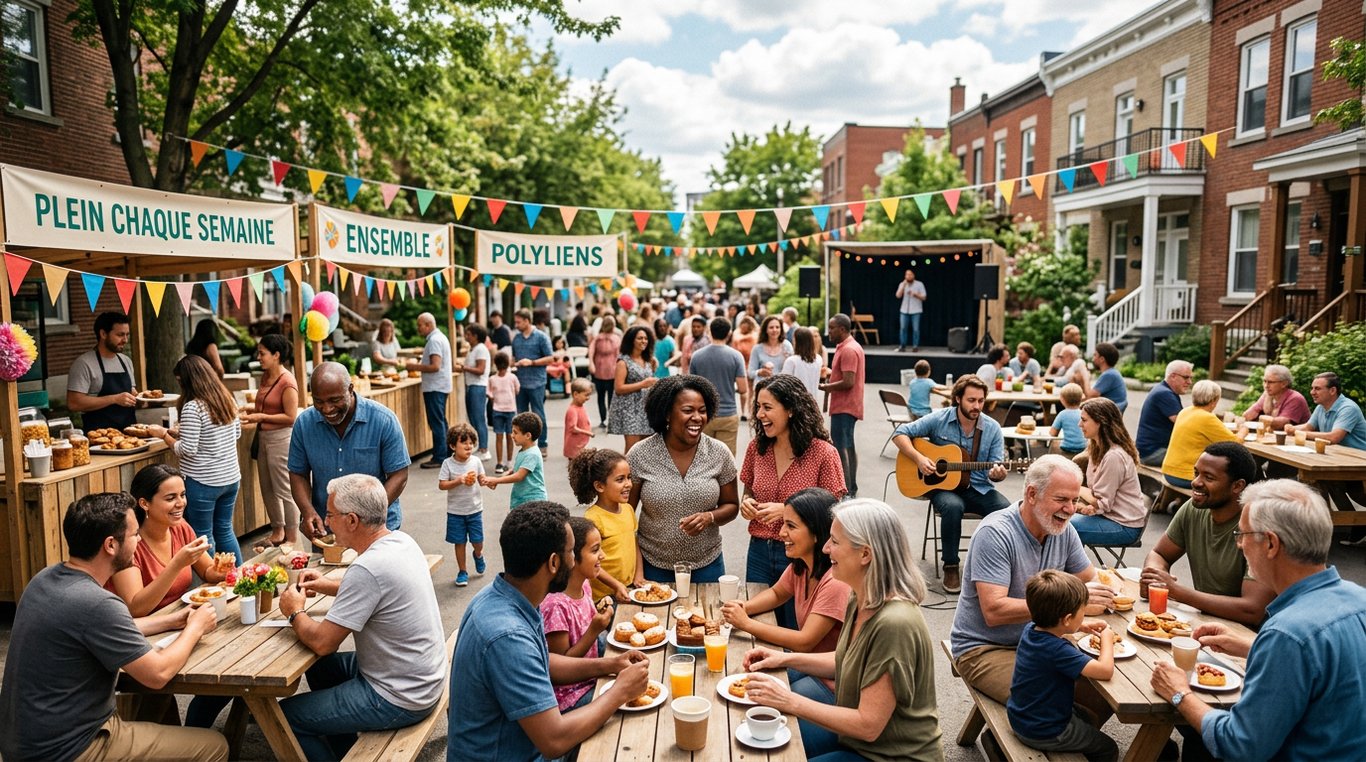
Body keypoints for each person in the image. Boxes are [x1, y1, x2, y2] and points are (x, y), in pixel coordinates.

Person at [0, 492, 228, 762]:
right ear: (110, 545)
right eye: (134, 535)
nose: (139, 540)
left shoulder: (44, 579)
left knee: (155, 701)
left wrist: (170, 620)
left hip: (25, 741)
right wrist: (196, 628)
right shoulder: (98, 603)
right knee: (214, 745)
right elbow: (158, 673)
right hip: (70, 748)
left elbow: (99, 628)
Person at [1150, 479, 1366, 761]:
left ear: (1271, 544)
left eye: (1242, 534)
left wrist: (1178, 693)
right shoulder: (1357, 598)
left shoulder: (1288, 634)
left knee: (1195, 738)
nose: (1239, 544)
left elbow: (1240, 746)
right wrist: (1251, 647)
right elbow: (1329, 667)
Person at [447, 501, 650, 760]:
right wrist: (619, 691)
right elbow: (554, 740)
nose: (574, 560)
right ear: (554, 562)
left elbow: (547, 666)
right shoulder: (508, 636)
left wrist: (611, 664)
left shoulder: (505, 595)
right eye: (571, 553)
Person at [743, 499, 942, 762]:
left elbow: (868, 725)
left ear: (865, 554)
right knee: (760, 740)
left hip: (889, 755)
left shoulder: (894, 623)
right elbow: (844, 660)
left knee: (771, 743)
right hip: (860, 742)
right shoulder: (860, 597)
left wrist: (788, 700)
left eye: (835, 542)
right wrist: (782, 658)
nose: (825, 548)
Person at [278, 474, 445, 761]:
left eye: (330, 514)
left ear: (352, 520)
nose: (327, 522)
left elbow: (322, 642)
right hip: (420, 674)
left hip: (400, 696)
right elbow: (374, 588)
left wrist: (294, 611)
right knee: (320, 668)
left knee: (285, 719)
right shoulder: (401, 541)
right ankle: (343, 743)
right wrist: (323, 585)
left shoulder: (368, 567)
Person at [949, 455, 1111, 704]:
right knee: (1056, 696)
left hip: (1040, 637)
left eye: (1074, 500)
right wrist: (1068, 605)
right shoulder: (996, 533)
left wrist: (1109, 589)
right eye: (1061, 499)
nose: (1070, 509)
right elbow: (994, 611)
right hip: (984, 648)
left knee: (1102, 686)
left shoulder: (1063, 530)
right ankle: (1026, 738)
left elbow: (1090, 582)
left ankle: (1059, 736)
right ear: (1032, 494)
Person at [740, 374, 847, 625]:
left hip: (803, 557)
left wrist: (787, 511)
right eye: (758, 407)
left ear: (790, 409)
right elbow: (749, 490)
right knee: (756, 625)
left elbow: (835, 512)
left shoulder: (823, 453)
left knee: (794, 629)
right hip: (759, 550)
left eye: (767, 407)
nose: (759, 415)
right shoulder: (756, 448)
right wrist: (747, 503)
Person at [894, 375, 1011, 594]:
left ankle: (996, 566)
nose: (977, 406)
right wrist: (919, 458)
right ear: (958, 398)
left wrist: (998, 474)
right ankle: (950, 565)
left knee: (1006, 510)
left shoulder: (992, 428)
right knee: (953, 506)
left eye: (981, 401)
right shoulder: (939, 419)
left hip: (978, 487)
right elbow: (899, 434)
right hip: (944, 488)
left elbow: (995, 470)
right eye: (971, 400)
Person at [723, 487, 851, 683]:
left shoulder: (835, 581)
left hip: (830, 678)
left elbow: (805, 641)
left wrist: (747, 624)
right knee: (745, 675)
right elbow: (777, 593)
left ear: (816, 534)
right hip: (807, 664)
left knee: (754, 687)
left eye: (791, 526)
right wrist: (744, 607)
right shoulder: (801, 565)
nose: (781, 533)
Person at [1142, 441, 1275, 629]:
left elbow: (1253, 610)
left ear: (1237, 486)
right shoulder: (1193, 508)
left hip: (1250, 638)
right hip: (1205, 623)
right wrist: (1155, 577)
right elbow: (1160, 554)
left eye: (1209, 478)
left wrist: (1177, 592)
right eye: (1196, 473)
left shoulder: (1257, 527)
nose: (1196, 482)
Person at [628, 375, 739, 583]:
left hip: (707, 565)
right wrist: (637, 570)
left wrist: (710, 517)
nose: (697, 417)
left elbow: (732, 505)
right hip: (652, 565)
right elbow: (624, 516)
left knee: (707, 616)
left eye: (702, 410)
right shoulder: (640, 454)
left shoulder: (719, 452)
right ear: (667, 414)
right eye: (688, 410)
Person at [1008, 570, 1118, 762]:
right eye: (1082, 613)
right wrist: (1107, 640)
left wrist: (1080, 626)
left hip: (1021, 716)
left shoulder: (1031, 628)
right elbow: (1105, 671)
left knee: (1088, 717)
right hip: (1044, 730)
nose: (1083, 617)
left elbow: (1056, 630)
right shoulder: (1059, 651)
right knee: (1108, 748)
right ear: (1067, 619)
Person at [289, 362, 410, 534]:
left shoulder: (383, 420)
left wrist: (369, 515)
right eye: (318, 401)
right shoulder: (304, 424)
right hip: (327, 530)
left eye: (334, 400)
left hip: (375, 529)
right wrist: (307, 511)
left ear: (350, 389)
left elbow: (399, 475)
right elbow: (298, 473)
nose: (327, 408)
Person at [147, 355, 243, 564]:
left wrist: (164, 435)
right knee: (225, 530)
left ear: (186, 380)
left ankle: (210, 582)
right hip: (230, 478)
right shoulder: (227, 401)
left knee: (203, 535)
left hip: (203, 482)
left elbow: (187, 450)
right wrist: (180, 433)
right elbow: (234, 435)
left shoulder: (193, 407)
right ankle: (237, 576)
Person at [108, 463, 227, 616]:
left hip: (181, 616)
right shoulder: (128, 543)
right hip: (144, 629)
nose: (180, 503)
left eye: (182, 495)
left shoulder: (181, 528)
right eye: (170, 498)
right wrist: (176, 564)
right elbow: (135, 609)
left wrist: (223, 571)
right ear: (144, 503)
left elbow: (207, 570)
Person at [539, 517, 616, 711]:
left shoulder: (584, 585)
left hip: (589, 676)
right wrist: (594, 630)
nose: (603, 556)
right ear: (572, 557)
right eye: (595, 550)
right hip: (571, 695)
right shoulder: (555, 605)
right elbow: (561, 666)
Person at [245, 333, 301, 546]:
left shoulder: (287, 381)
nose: (259, 357)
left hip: (281, 439)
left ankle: (292, 537)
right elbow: (263, 405)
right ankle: (277, 531)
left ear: (276, 355)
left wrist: (262, 417)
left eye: (262, 353)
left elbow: (290, 416)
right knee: (267, 487)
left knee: (284, 488)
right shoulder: (265, 376)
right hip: (263, 438)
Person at [1071, 399, 1146, 547]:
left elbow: (1102, 502)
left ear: (1100, 422)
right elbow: (1102, 498)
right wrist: (1090, 507)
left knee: (1060, 526)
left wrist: (1074, 487)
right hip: (1111, 518)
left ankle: (1063, 567)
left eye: (1084, 420)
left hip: (1124, 527)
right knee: (1056, 519)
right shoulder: (1097, 449)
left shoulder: (1114, 456)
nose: (1080, 424)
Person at [570, 448, 639, 600]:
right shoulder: (594, 518)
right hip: (604, 596)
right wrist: (615, 585)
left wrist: (639, 576)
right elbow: (589, 561)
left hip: (629, 589)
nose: (628, 484)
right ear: (600, 486)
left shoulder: (628, 509)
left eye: (629, 477)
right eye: (620, 479)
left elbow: (634, 543)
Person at [67, 311, 139, 431]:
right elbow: (74, 403)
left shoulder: (126, 361)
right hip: (99, 439)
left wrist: (139, 398)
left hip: (130, 435)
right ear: (103, 334)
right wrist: (114, 399)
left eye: (127, 335)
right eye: (120, 335)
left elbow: (130, 391)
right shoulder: (84, 363)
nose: (125, 340)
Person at [1161, 380, 1237, 489]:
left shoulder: (1185, 412)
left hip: (1169, 472)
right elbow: (1234, 443)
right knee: (1230, 482)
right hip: (1187, 476)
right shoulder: (1207, 417)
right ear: (1214, 400)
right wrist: (1244, 429)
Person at [821, 313, 866, 498]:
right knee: (848, 446)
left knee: (842, 448)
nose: (828, 332)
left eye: (831, 328)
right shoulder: (848, 347)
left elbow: (848, 381)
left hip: (845, 406)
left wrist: (826, 387)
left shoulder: (849, 349)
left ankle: (847, 492)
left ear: (842, 329)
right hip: (846, 405)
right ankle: (851, 488)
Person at [689, 318, 748, 454]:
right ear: (729, 333)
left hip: (704, 413)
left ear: (710, 331)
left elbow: (691, 387)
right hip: (728, 414)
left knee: (703, 456)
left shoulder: (697, 356)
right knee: (726, 458)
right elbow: (743, 388)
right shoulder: (736, 356)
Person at [439, 423, 486, 587]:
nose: (469, 446)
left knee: (477, 541)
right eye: (464, 443)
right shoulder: (448, 464)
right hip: (455, 511)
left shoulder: (476, 462)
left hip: (474, 510)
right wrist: (459, 480)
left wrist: (489, 482)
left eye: (471, 443)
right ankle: (462, 571)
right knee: (459, 542)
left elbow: (482, 479)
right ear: (453, 446)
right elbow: (442, 485)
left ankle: (478, 554)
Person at [406, 312, 453, 469]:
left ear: (428, 324)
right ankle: (446, 453)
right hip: (440, 386)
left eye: (420, 325)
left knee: (437, 422)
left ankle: (439, 456)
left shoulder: (434, 340)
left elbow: (435, 366)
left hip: (435, 387)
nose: (418, 328)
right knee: (440, 421)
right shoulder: (439, 338)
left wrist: (413, 366)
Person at [481, 412, 547, 508]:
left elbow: (519, 476)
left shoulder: (532, 454)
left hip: (533, 501)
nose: (512, 435)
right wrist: (509, 472)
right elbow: (519, 469)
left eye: (515, 432)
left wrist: (497, 480)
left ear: (528, 435)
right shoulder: (524, 450)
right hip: (521, 499)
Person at [1286, 371, 1366, 449]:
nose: (1312, 392)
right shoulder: (1321, 406)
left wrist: (1299, 433)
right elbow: (1308, 427)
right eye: (1312, 388)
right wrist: (1291, 429)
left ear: (1332, 391)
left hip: (1360, 458)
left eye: (1317, 389)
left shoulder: (1348, 408)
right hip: (1339, 454)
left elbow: (1334, 437)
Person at [512, 308, 554, 454]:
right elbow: (513, 357)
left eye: (518, 322)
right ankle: (526, 445)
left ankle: (542, 444)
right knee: (521, 416)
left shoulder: (541, 337)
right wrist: (512, 364)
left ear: (526, 321)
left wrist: (532, 362)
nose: (516, 324)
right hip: (520, 382)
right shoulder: (516, 339)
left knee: (538, 414)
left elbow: (550, 358)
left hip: (537, 381)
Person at [610, 324, 658, 451]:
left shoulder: (649, 360)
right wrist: (643, 384)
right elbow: (618, 388)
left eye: (646, 338)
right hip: (629, 408)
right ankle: (626, 471)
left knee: (646, 447)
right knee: (632, 449)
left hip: (645, 407)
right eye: (640, 338)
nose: (644, 341)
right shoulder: (623, 362)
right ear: (631, 340)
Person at [1136, 360, 1193, 466]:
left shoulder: (1163, 390)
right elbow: (1183, 424)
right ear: (1173, 376)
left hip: (1150, 450)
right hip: (1152, 453)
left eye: (1191, 378)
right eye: (1186, 377)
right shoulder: (1165, 394)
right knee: (1198, 457)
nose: (1189, 382)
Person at [455, 323, 491, 461]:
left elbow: (480, 369)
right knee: (473, 418)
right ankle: (479, 445)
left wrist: (464, 368)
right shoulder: (473, 349)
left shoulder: (481, 349)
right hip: (471, 385)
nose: (466, 337)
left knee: (479, 418)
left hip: (478, 386)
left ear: (475, 336)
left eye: (468, 334)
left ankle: (484, 448)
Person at [1242, 364, 1309, 429]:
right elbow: (1247, 415)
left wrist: (1260, 419)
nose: (1266, 386)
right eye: (1265, 381)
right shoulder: (1268, 394)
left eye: (1270, 382)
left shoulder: (1295, 398)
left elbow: (1279, 425)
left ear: (1284, 384)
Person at [488, 352, 520, 475]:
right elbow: (517, 390)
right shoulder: (512, 377)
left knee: (499, 436)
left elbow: (489, 394)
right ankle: (509, 461)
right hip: (510, 409)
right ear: (508, 364)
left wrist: (494, 401)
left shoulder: (492, 379)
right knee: (510, 436)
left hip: (497, 409)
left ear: (495, 364)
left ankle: (500, 462)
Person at [589, 315, 620, 427]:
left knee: (605, 396)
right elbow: (591, 352)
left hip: (607, 370)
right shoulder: (599, 338)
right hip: (604, 370)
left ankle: (606, 419)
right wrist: (591, 363)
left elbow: (619, 355)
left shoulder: (608, 338)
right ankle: (605, 419)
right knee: (606, 396)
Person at [749, 315, 793, 389]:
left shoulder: (787, 346)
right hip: (762, 389)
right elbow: (750, 373)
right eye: (771, 327)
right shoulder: (757, 348)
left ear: (781, 329)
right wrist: (760, 372)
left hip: (782, 389)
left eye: (777, 327)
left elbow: (792, 371)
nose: (774, 330)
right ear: (765, 330)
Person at [783, 326, 825, 398]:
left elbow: (783, 382)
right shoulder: (818, 359)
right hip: (813, 398)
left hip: (796, 400)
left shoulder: (791, 361)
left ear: (796, 340)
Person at [1084, 342, 1127, 412]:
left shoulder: (1109, 375)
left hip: (1107, 415)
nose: (1093, 359)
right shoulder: (1112, 372)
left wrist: (1085, 376)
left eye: (1095, 355)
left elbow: (1090, 396)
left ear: (1102, 359)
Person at [1049, 383, 1086, 457]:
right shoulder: (1084, 413)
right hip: (1083, 447)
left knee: (1053, 444)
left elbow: (1053, 433)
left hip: (1066, 447)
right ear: (1081, 398)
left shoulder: (1062, 414)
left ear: (1062, 400)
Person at [896, 269, 927, 352]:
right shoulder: (902, 284)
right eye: (907, 275)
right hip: (904, 310)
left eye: (910, 274)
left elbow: (924, 297)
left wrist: (915, 294)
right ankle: (902, 346)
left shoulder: (919, 284)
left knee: (916, 329)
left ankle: (915, 346)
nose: (908, 276)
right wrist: (903, 286)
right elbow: (898, 295)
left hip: (916, 310)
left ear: (913, 275)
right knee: (903, 328)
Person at [564, 378, 595, 459]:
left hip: (580, 445)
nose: (588, 398)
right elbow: (573, 428)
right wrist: (588, 433)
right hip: (575, 446)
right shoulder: (572, 410)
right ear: (575, 394)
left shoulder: (580, 406)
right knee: (576, 467)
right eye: (586, 395)